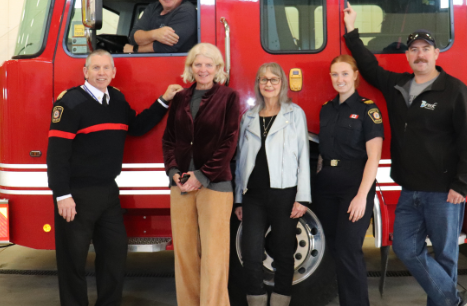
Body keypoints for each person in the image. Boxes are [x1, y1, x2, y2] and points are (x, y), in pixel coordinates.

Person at [343, 2, 467, 306]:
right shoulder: (398, 86)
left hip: (444, 192)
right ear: (407, 56)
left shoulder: (454, 90)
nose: (420, 54)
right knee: (405, 249)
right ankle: (455, 300)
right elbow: (368, 67)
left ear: (436, 54)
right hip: (409, 191)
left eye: (426, 49)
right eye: (414, 49)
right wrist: (351, 31)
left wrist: (463, 184)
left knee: (445, 257)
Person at [46, 49, 182, 306]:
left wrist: (164, 100)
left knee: (114, 256)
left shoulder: (117, 100)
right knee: (72, 261)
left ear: (113, 72)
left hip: (108, 192)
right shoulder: (69, 104)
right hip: (76, 194)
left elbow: (138, 126)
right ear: (85, 72)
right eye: (95, 68)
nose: (101, 73)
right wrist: (62, 195)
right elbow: (56, 155)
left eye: (106, 68)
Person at [162, 43, 241, 306]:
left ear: (218, 68)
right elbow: (169, 139)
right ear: (190, 67)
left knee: (214, 255)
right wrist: (174, 171)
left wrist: (203, 175)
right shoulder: (180, 98)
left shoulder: (228, 97)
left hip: (215, 184)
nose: (203, 69)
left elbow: (230, 141)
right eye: (198, 64)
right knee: (184, 253)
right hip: (181, 185)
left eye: (209, 64)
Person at [234, 63, 310, 306]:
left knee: (284, 252)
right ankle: (255, 299)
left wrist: (303, 197)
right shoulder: (248, 117)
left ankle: (280, 301)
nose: (268, 84)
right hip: (253, 196)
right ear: (258, 84)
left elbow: (303, 156)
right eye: (263, 79)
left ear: (282, 84)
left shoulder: (294, 114)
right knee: (252, 253)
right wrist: (239, 199)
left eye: (274, 79)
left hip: (285, 195)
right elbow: (241, 161)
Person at [313, 54, 383, 306]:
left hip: (355, 186)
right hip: (327, 187)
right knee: (334, 248)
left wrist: (362, 196)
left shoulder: (367, 109)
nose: (339, 79)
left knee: (349, 249)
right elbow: (323, 150)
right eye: (335, 74)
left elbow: (373, 157)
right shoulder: (326, 108)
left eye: (344, 73)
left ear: (355, 75)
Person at [124, 0, 197, 53]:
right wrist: (155, 34)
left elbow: (166, 47)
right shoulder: (152, 8)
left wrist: (134, 49)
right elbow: (134, 37)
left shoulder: (187, 10)